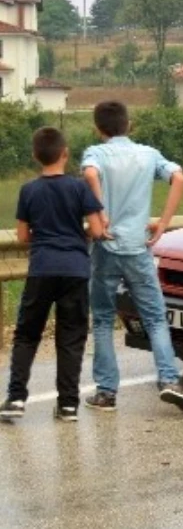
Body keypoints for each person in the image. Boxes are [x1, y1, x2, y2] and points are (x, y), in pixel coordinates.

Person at [81, 101, 183, 414]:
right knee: (155, 317)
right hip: (138, 247)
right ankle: (169, 381)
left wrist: (101, 213)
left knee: (104, 319)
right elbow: (179, 178)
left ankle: (106, 392)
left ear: (98, 127)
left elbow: (91, 175)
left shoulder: (95, 153)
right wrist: (163, 221)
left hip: (106, 247)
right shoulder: (148, 154)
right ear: (128, 124)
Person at [0, 128, 106, 423]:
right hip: (75, 269)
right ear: (65, 153)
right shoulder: (79, 188)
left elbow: (22, 235)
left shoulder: (29, 190)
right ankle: (68, 404)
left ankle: (16, 398)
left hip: (42, 268)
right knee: (71, 337)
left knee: (26, 335)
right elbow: (97, 230)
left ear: (36, 156)